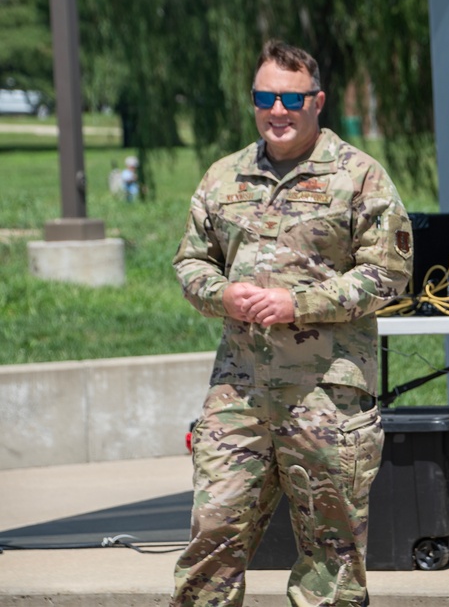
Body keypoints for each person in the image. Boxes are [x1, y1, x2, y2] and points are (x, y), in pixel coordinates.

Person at [171, 40, 413, 606]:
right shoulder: (223, 177)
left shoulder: (358, 177)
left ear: (318, 100)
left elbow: (389, 273)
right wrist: (221, 293)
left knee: (331, 557)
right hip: (239, 393)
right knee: (212, 535)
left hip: (326, 398)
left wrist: (298, 304)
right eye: (264, 97)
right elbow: (190, 262)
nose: (277, 110)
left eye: (291, 98)